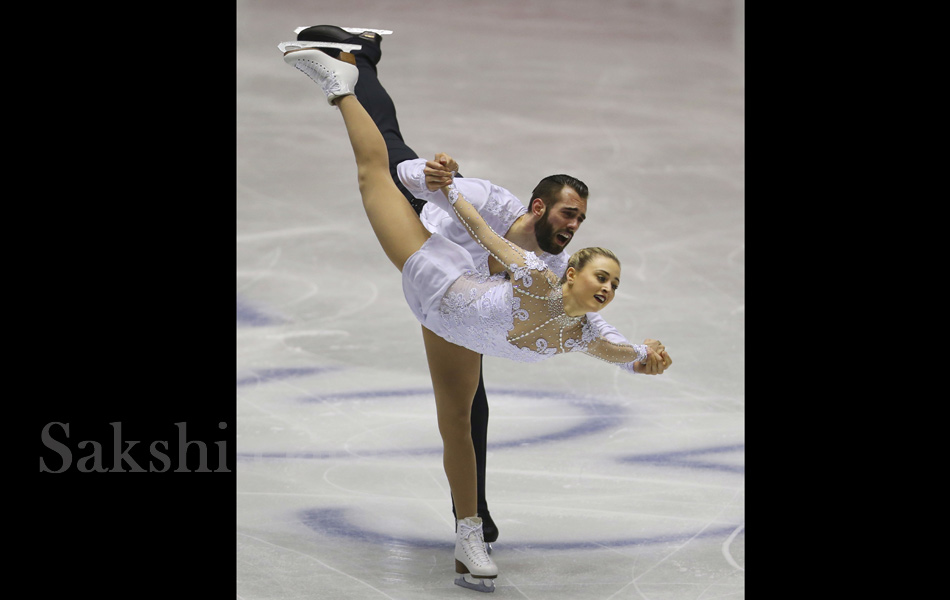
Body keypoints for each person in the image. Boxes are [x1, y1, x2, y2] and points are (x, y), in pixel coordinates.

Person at [279, 41, 672, 592]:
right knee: (378, 169)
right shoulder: (535, 266)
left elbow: (614, 345)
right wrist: (445, 180)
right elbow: (480, 230)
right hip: (436, 273)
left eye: (613, 282)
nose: (606, 286)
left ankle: (469, 536)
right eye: (600, 275)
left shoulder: (581, 324)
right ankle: (339, 85)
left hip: (455, 327)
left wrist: (643, 360)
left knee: (457, 424)